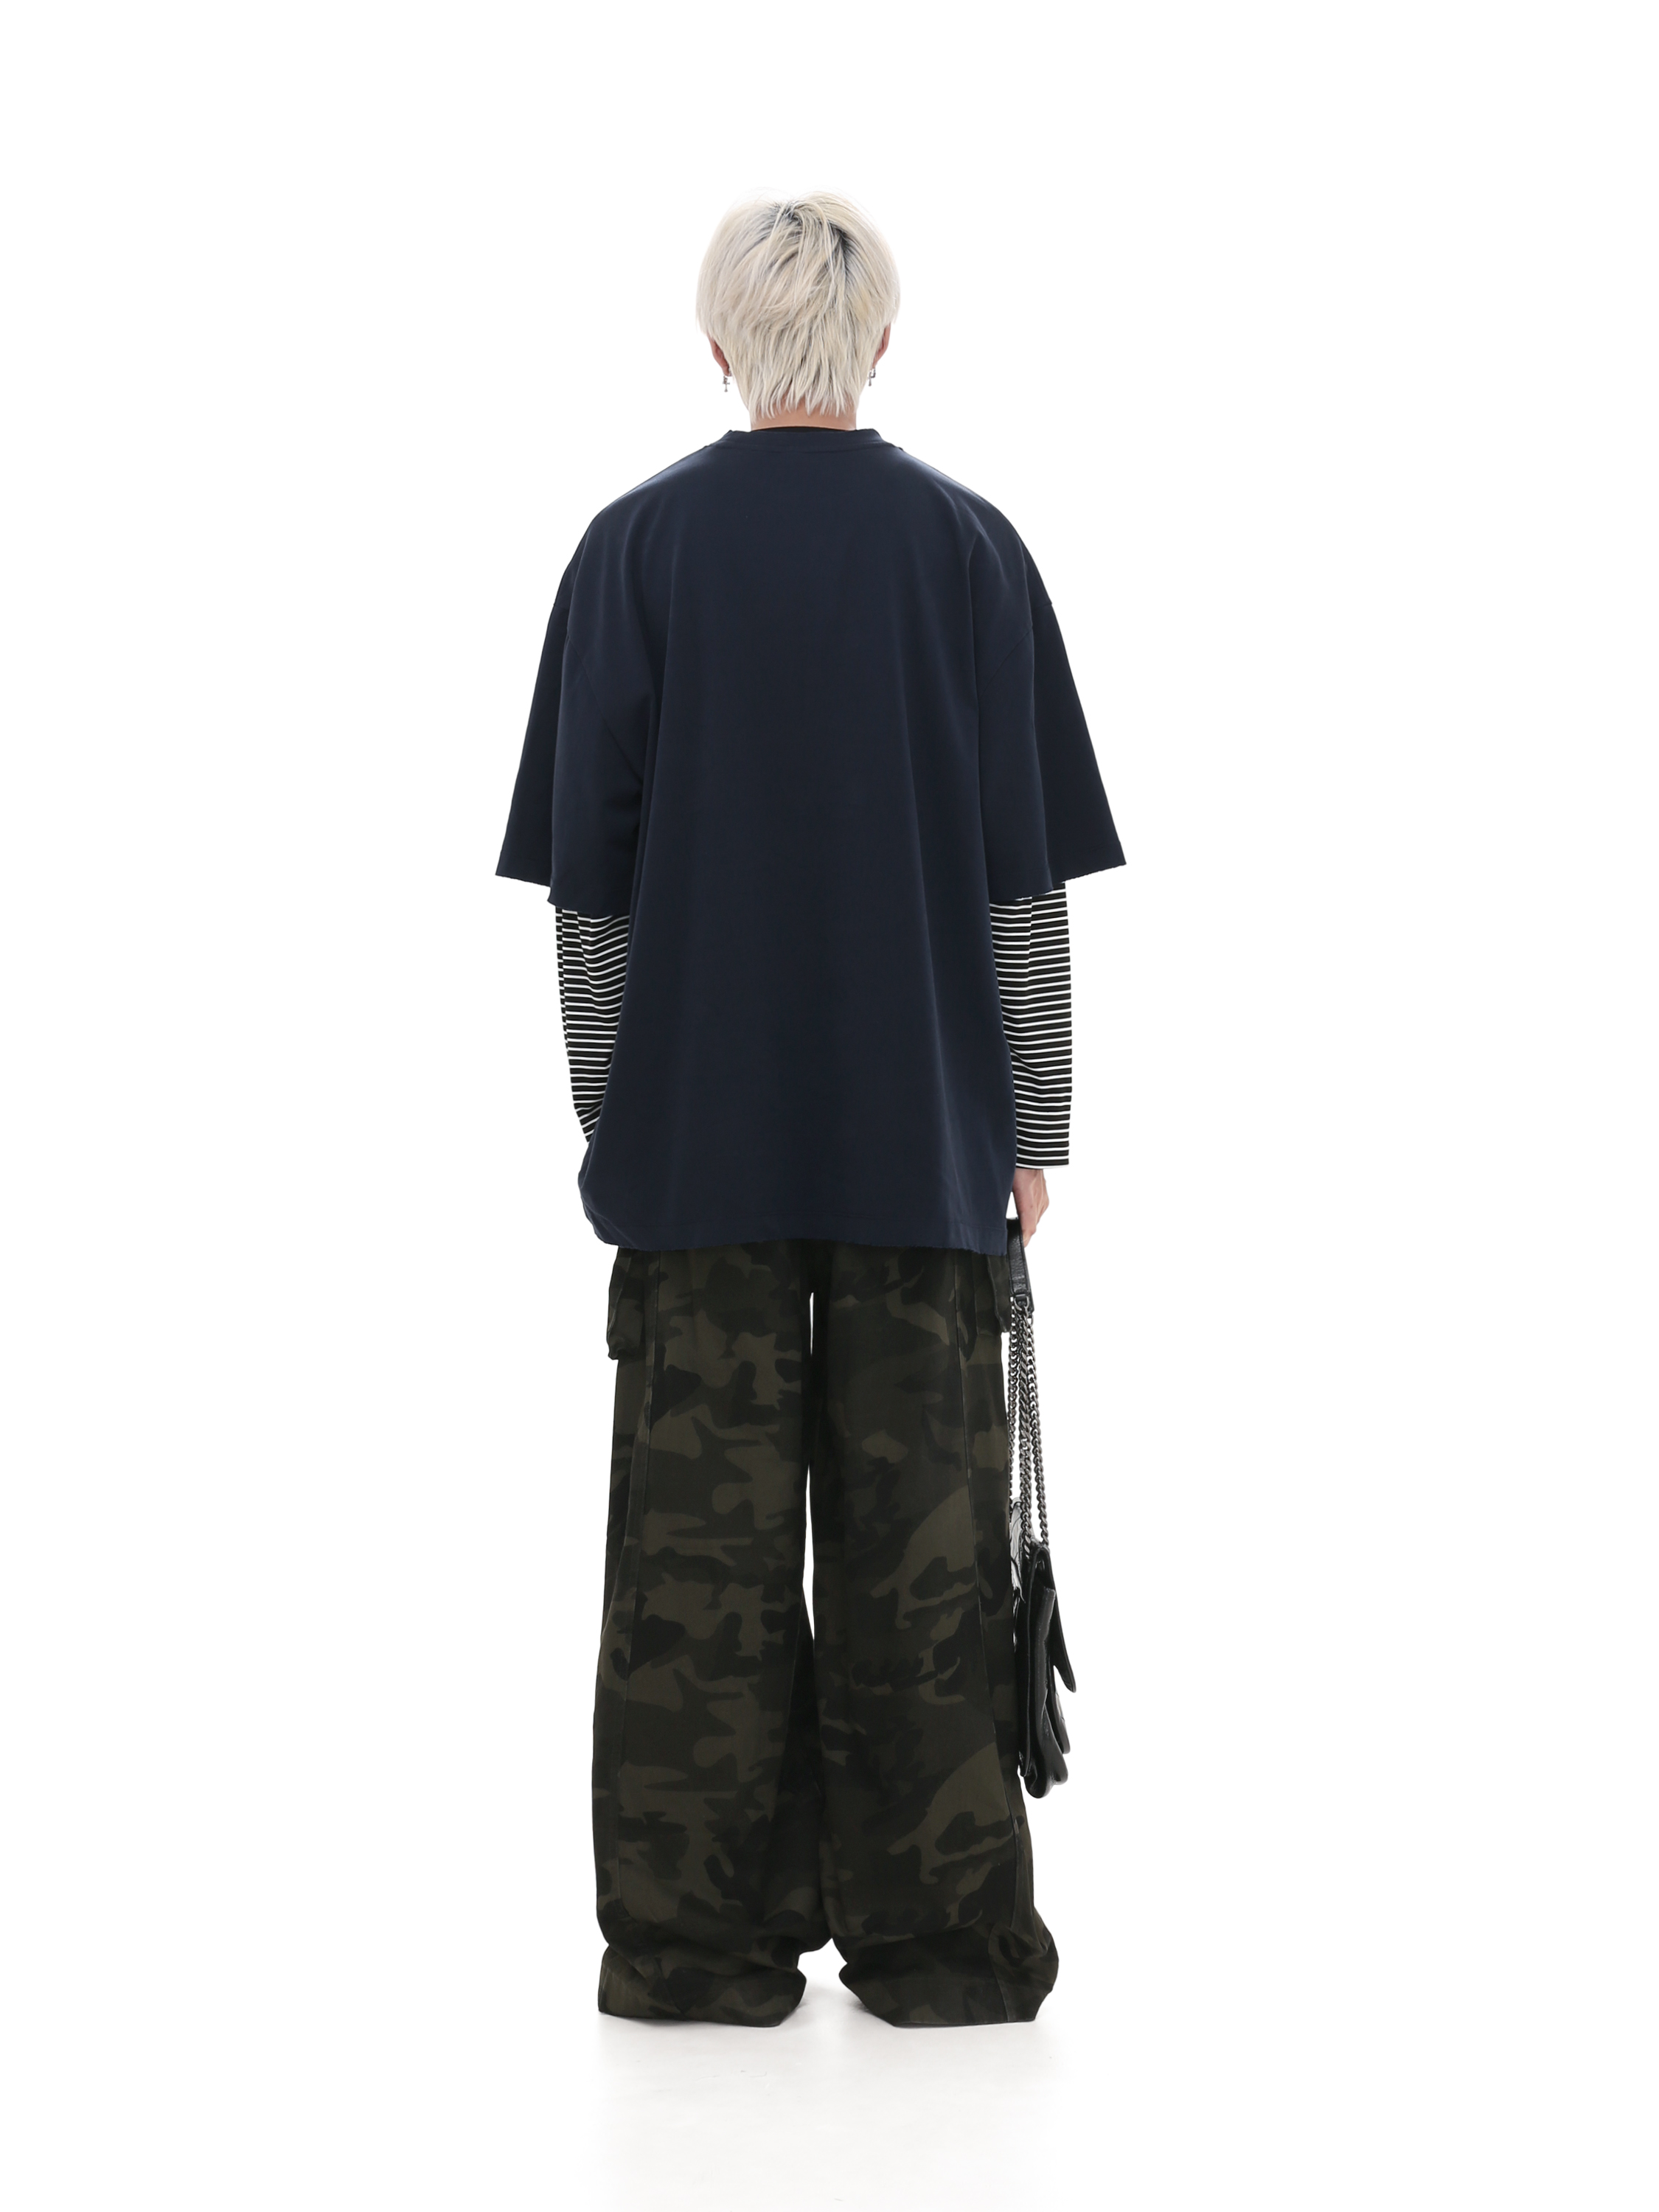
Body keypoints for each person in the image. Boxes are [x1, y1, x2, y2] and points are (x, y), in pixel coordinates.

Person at [498, 192, 1124, 2028]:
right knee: (928, 1548)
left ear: (718, 345)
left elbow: (591, 898)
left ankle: (692, 1947)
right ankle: (941, 1948)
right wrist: (1036, 1128)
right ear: (879, 343)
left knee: (692, 1567)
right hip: (924, 1140)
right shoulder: (971, 551)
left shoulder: (633, 551)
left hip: (694, 1152)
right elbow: (1023, 885)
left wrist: (613, 1114)